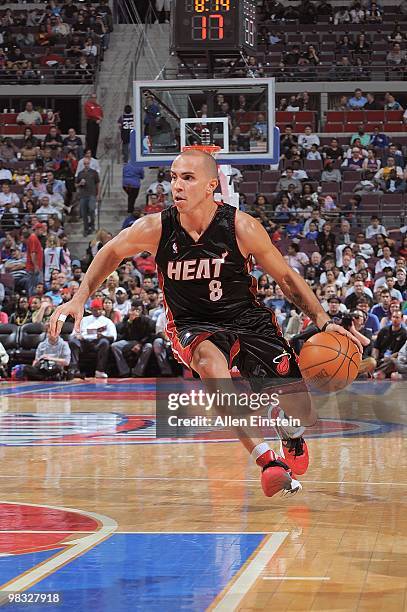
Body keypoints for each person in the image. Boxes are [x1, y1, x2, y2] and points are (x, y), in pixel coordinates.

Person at [50, 149, 361, 499]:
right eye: (173, 177)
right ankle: (267, 461)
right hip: (192, 323)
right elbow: (110, 252)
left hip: (248, 319)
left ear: (212, 185)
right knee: (210, 363)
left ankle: (289, 431)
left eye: (187, 178)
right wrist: (78, 298)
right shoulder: (155, 228)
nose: (176, 186)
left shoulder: (241, 227)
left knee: (299, 411)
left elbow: (287, 278)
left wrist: (322, 320)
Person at [68, 298, 117, 378]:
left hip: (97, 342)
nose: (97, 311)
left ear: (102, 309)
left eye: (99, 309)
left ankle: (100, 370)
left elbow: (113, 337)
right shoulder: (84, 320)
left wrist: (103, 336)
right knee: (73, 342)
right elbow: (73, 334)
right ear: (91, 309)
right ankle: (74, 369)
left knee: (104, 342)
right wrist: (77, 335)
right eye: (95, 310)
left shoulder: (107, 321)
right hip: (84, 342)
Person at [75, 157, 100, 236]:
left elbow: (98, 183)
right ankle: (86, 228)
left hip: (92, 194)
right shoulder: (80, 173)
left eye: (87, 163)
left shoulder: (94, 172)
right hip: (83, 195)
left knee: (92, 209)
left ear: (89, 164)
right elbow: (75, 185)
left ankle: (92, 225)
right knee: (84, 213)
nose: (86, 165)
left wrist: (98, 194)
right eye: (85, 164)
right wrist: (80, 184)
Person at [84, 93, 103, 157]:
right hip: (91, 123)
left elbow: (101, 114)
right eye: (92, 97)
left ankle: (94, 155)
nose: (94, 99)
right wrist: (97, 117)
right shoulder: (87, 105)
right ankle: (89, 154)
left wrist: (100, 119)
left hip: (97, 123)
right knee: (90, 139)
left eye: (95, 98)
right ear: (90, 98)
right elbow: (89, 114)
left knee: (95, 139)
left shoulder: (98, 106)